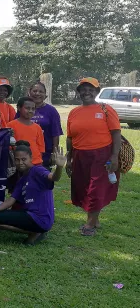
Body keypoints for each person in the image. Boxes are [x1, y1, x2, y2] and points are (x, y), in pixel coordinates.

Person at [66, 78, 121, 237]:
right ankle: (95, 218)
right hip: (80, 155)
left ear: (97, 91)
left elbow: (116, 133)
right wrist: (69, 158)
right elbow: (70, 138)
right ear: (79, 92)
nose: (86, 92)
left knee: (96, 188)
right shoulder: (74, 112)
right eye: (83, 89)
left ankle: (89, 224)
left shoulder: (106, 109)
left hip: (102, 156)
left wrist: (114, 156)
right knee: (83, 187)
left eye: (91, 89)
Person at [0, 141, 66, 245]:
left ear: (31, 158)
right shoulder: (22, 179)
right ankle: (36, 232)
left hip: (41, 218)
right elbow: (11, 199)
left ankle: (36, 233)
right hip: (29, 215)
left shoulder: (38, 170)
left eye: (24, 159)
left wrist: (59, 167)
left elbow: (54, 177)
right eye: (17, 160)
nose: (20, 163)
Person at [22, 82, 63, 169]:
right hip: (24, 154)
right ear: (29, 93)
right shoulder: (22, 109)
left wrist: (53, 153)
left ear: (45, 95)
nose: (37, 94)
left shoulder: (51, 111)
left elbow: (55, 134)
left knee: (43, 179)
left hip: (45, 154)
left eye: (41, 92)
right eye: (35, 91)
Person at [8, 97, 45, 165]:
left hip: (35, 163)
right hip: (19, 164)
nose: (30, 111)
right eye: (27, 108)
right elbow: (9, 147)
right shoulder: (10, 126)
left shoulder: (37, 127)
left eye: (33, 109)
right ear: (19, 108)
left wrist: (39, 163)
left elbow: (41, 148)